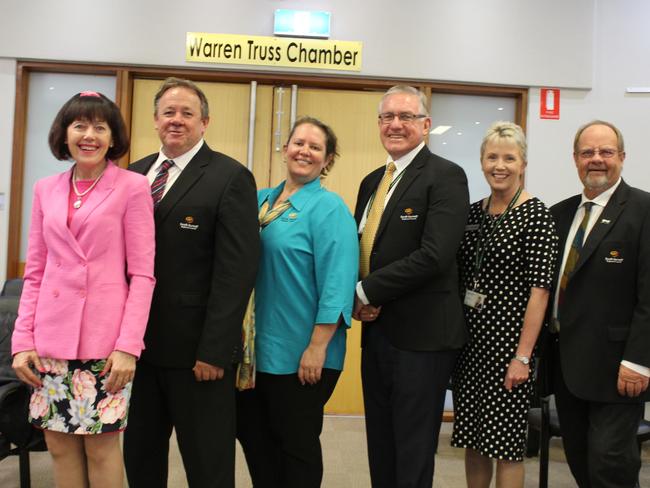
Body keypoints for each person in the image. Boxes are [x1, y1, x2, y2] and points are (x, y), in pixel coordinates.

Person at [11, 91, 155, 488]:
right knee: (58, 445)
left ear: (113, 137)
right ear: (65, 133)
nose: (88, 135)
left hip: (105, 346)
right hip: (50, 342)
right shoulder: (46, 189)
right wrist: (22, 340)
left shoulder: (132, 187)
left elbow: (143, 275)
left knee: (101, 448)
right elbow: (36, 271)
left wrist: (128, 345)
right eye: (79, 125)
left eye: (99, 126)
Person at [123, 78, 260, 488]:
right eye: (169, 112)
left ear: (205, 122)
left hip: (198, 356)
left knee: (208, 464)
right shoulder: (133, 175)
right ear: (155, 120)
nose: (176, 121)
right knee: (140, 457)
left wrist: (215, 350)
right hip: (135, 352)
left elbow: (236, 271)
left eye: (187, 113)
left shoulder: (230, 177)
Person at [353, 85, 470, 488]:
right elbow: (361, 246)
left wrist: (366, 291)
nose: (396, 125)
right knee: (380, 444)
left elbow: (434, 256)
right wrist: (356, 291)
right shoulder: (372, 181)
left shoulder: (447, 176)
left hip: (423, 339)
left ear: (426, 124)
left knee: (413, 450)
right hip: (378, 332)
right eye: (388, 117)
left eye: (405, 117)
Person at [236, 117, 358, 488]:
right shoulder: (259, 201)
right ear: (285, 147)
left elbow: (338, 284)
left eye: (315, 147)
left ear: (328, 159)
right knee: (255, 439)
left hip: (301, 352)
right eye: (298, 142)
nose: (304, 151)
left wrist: (317, 347)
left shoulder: (329, 208)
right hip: (252, 354)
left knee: (296, 445)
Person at [542, 120, 650, 488]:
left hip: (619, 370)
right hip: (568, 368)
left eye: (606, 152)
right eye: (587, 152)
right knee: (581, 460)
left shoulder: (643, 210)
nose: (597, 160)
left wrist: (638, 361)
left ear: (622, 157)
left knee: (611, 463)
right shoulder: (559, 214)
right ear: (575, 159)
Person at [450, 122, 558, 487]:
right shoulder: (472, 213)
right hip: (470, 348)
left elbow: (540, 292)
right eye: (492, 156)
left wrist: (522, 357)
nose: (500, 165)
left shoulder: (536, 216)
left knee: (506, 446)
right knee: (473, 439)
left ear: (523, 163)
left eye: (509, 158)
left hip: (509, 351)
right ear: (481, 162)